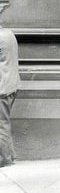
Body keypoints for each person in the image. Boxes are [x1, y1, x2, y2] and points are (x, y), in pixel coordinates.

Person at [0, 24, 20, 167]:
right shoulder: (9, 33)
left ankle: (5, 158)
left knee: (1, 124)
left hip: (2, 88)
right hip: (12, 85)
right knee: (4, 122)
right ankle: (10, 155)